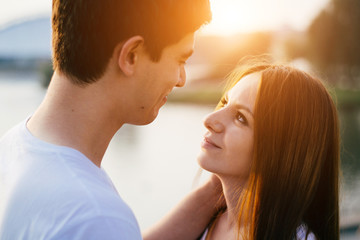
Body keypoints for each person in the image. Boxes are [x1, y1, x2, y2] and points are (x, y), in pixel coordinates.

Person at [0, 0, 223, 239]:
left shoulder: (14, 146)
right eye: (180, 60)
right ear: (131, 56)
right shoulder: (94, 216)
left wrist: (212, 193)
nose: (181, 79)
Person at [197, 63, 340, 240]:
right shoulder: (205, 222)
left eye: (241, 118)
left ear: (281, 150)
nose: (209, 119)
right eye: (224, 102)